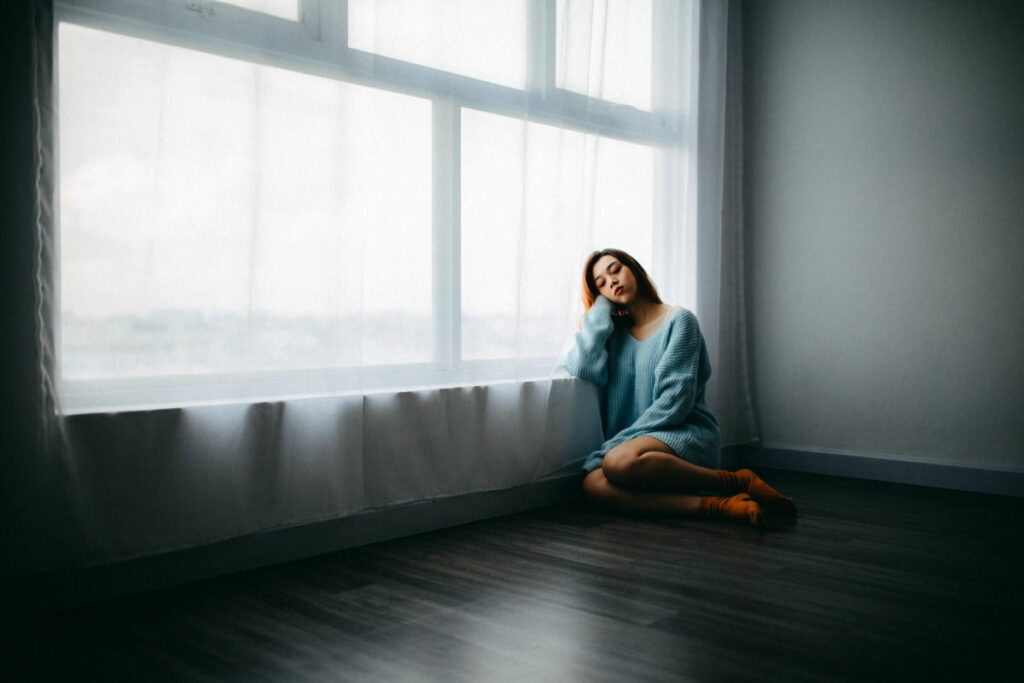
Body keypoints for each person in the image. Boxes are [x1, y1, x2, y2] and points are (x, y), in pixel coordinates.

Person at [563, 249, 796, 527]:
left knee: (615, 463)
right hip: (635, 450)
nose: (612, 281)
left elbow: (675, 401)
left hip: (682, 431)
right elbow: (583, 366)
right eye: (601, 283)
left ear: (634, 269)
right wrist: (601, 308)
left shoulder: (679, 321)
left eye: (615, 270)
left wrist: (614, 447)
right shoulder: (613, 335)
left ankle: (734, 480)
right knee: (592, 485)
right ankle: (716, 506)